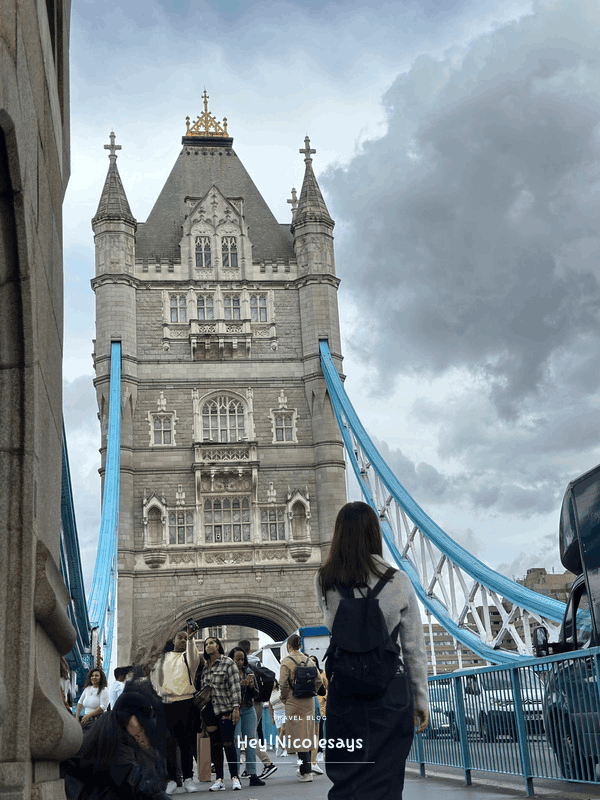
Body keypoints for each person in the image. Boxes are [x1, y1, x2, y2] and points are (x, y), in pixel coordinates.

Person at [316, 501, 429, 800]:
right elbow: (413, 648)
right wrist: (420, 700)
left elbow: (332, 626)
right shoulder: (399, 581)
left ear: (340, 534)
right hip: (390, 691)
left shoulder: (325, 580)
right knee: (387, 780)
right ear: (373, 534)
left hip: (345, 689)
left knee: (347, 777)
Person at [63, 678, 170, 800]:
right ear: (131, 718)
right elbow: (137, 780)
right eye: (141, 729)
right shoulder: (113, 740)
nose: (142, 732)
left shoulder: (111, 728)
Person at [150, 626, 204, 794]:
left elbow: (193, 657)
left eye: (185, 638)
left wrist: (191, 639)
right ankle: (172, 779)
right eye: (180, 637)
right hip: (166, 704)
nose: (183, 640)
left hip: (186, 702)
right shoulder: (162, 659)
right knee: (168, 744)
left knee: (186, 743)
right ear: (173, 640)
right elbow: (155, 680)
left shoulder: (188, 657)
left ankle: (188, 779)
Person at [199, 636, 242, 791]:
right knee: (215, 746)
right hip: (209, 711)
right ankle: (219, 779)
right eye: (206, 644)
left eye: (211, 643)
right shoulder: (205, 667)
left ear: (218, 645)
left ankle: (235, 777)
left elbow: (235, 687)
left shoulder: (228, 663)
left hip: (225, 709)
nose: (208, 646)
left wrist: (235, 708)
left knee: (228, 744)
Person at [279, 633, 323, 782]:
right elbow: (319, 680)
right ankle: (306, 768)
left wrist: (285, 698)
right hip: (309, 701)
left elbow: (283, 684)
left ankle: (306, 771)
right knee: (307, 734)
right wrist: (312, 691)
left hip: (293, 701)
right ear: (300, 645)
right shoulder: (309, 660)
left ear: (289, 646)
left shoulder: (286, 662)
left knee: (298, 737)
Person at [236, 639, 277, 780]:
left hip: (250, 703)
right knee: (250, 736)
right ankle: (249, 769)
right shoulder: (258, 662)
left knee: (249, 737)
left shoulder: (244, 665)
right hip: (259, 702)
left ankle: (268, 763)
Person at [228, 647, 265, 788]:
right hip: (235, 710)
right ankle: (235, 775)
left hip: (249, 709)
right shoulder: (228, 673)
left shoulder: (249, 672)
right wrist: (239, 685)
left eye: (242, 659)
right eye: (237, 659)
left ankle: (253, 774)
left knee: (251, 743)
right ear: (232, 659)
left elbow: (256, 694)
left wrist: (250, 686)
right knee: (236, 744)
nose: (240, 662)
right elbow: (225, 692)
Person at [267, 680, 286, 757]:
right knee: (280, 732)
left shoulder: (280, 689)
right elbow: (270, 707)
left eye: (273, 682)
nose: (272, 684)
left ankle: (278, 746)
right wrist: (272, 718)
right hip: (276, 713)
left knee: (283, 730)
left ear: (276, 682)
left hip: (284, 711)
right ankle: (284, 749)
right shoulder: (269, 693)